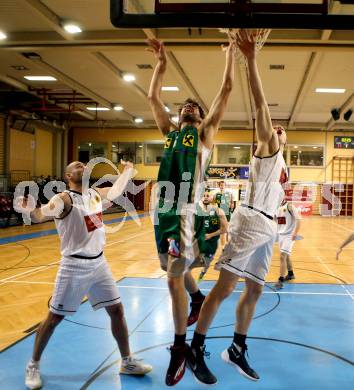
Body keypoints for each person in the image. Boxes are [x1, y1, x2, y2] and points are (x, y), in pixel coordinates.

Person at [187, 29, 288, 385]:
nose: (275, 128)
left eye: (280, 128)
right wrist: (251, 60)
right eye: (272, 128)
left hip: (268, 227)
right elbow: (261, 105)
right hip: (249, 221)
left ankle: (237, 348)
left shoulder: (282, 168)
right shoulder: (266, 150)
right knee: (225, 288)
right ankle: (196, 347)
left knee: (256, 289)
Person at [16, 160, 152, 390]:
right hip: (74, 267)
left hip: (99, 263)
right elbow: (41, 215)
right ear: (68, 175)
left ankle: (127, 361)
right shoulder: (63, 199)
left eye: (83, 164)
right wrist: (30, 209)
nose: (82, 165)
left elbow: (117, 190)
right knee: (53, 319)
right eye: (76, 165)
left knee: (117, 310)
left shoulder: (95, 194)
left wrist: (128, 170)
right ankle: (33, 365)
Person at [147, 36, 235, 386]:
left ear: (200, 118)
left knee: (171, 282)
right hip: (162, 212)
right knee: (171, 272)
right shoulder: (169, 133)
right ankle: (198, 297)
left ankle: (180, 348)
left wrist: (230, 56)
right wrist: (160, 65)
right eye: (184, 105)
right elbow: (153, 97)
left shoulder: (204, 136)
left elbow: (226, 89)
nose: (188, 107)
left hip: (184, 211)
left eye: (194, 107)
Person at [197, 189, 228, 282]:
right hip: (199, 241)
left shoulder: (219, 211)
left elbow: (225, 229)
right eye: (204, 195)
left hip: (211, 242)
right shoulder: (197, 211)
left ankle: (203, 272)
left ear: (212, 198)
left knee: (206, 263)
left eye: (208, 195)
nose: (206, 197)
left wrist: (211, 235)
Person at [275, 200, 301, 289]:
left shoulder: (289, 206)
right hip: (281, 235)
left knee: (282, 256)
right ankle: (290, 274)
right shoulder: (276, 207)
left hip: (289, 235)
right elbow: (276, 221)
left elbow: (299, 219)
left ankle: (280, 280)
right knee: (286, 256)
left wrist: (295, 232)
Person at [214, 180, 234, 247]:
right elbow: (214, 204)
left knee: (228, 229)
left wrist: (231, 206)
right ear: (219, 186)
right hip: (220, 214)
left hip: (228, 214)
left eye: (223, 185)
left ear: (225, 186)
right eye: (221, 185)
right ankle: (223, 246)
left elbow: (232, 203)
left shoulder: (229, 194)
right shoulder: (217, 195)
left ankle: (228, 244)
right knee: (222, 230)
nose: (222, 186)